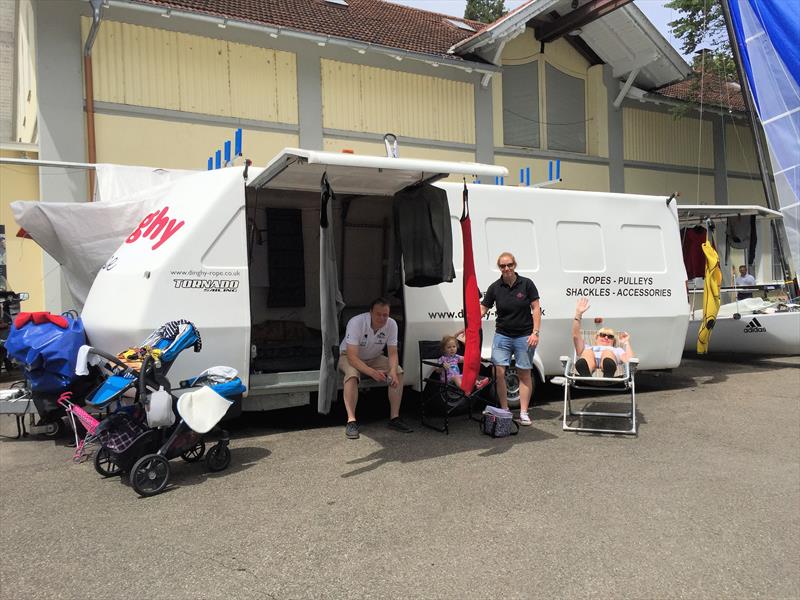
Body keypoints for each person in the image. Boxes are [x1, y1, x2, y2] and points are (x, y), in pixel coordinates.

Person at [480, 252, 541, 426]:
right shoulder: (495, 287)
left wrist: (535, 332)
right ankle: (505, 410)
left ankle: (523, 412)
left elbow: (536, 309)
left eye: (509, 265)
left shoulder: (527, 284)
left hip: (524, 336)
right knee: (498, 373)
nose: (506, 268)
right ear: (499, 268)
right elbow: (483, 309)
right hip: (503, 335)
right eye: (502, 266)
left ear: (515, 265)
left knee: (524, 373)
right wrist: (469, 323)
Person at [338, 297, 412, 439]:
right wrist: (372, 373)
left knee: (398, 371)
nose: (382, 318)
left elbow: (392, 353)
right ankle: (351, 421)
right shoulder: (356, 322)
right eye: (378, 314)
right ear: (370, 312)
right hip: (349, 356)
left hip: (375, 356)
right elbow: (352, 357)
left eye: (385, 315)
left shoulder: (391, 324)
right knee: (352, 375)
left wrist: (392, 372)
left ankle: (394, 418)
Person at [572, 298, 635, 377]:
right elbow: (576, 336)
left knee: (607, 353)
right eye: (602, 335)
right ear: (596, 337)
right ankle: (586, 374)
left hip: (610, 361)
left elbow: (630, 361)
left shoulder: (617, 350)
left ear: (613, 341)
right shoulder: (587, 347)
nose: (606, 337)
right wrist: (578, 314)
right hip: (590, 362)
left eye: (610, 336)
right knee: (587, 352)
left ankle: (608, 372)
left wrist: (626, 342)